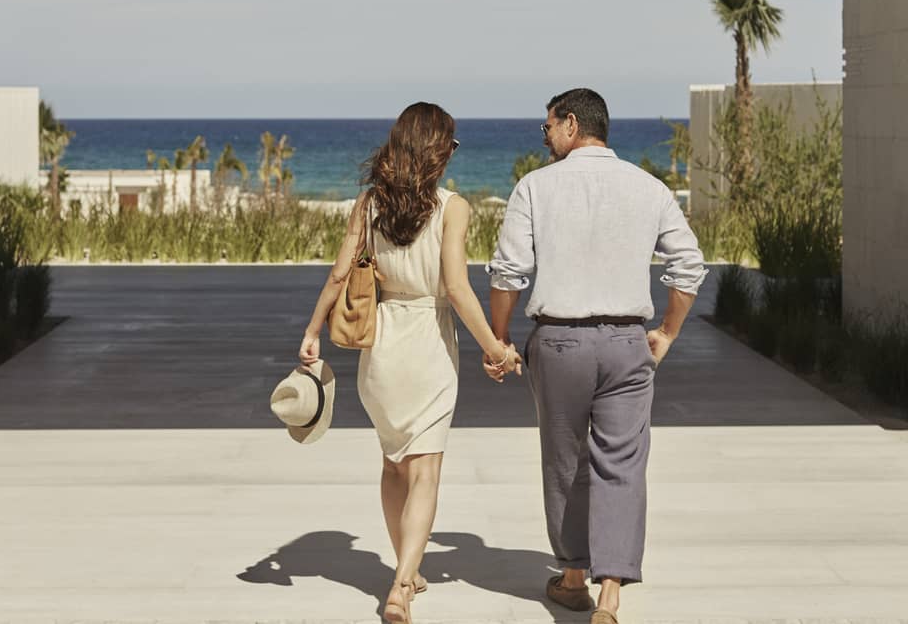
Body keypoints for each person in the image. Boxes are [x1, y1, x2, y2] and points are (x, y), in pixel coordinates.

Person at [485, 87, 706, 624]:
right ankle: (610, 596)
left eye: (547, 127)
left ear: (570, 125)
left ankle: (574, 578)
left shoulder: (534, 187)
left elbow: (508, 272)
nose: (544, 137)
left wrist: (500, 339)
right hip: (629, 343)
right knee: (623, 466)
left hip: (559, 342)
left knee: (565, 463)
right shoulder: (649, 188)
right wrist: (667, 333)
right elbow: (690, 266)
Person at [298, 101, 521, 623]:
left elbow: (337, 276)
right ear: (438, 150)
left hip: (380, 350)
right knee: (426, 471)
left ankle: (408, 565)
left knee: (392, 464)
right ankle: (402, 584)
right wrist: (493, 346)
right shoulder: (453, 207)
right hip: (428, 346)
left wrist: (312, 332)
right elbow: (456, 289)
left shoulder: (369, 204)